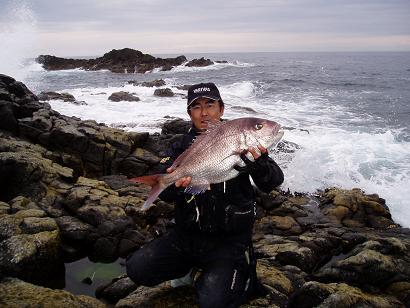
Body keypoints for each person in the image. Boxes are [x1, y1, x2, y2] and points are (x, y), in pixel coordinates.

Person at [126, 82, 284, 308]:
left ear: (221, 109)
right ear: (189, 113)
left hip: (228, 242)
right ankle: (187, 267)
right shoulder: (179, 147)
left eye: (210, 105)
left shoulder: (241, 139)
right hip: (186, 236)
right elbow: (167, 197)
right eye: (196, 107)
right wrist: (174, 184)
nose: (204, 112)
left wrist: (257, 166)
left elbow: (274, 182)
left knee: (213, 302)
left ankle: (241, 276)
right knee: (137, 268)